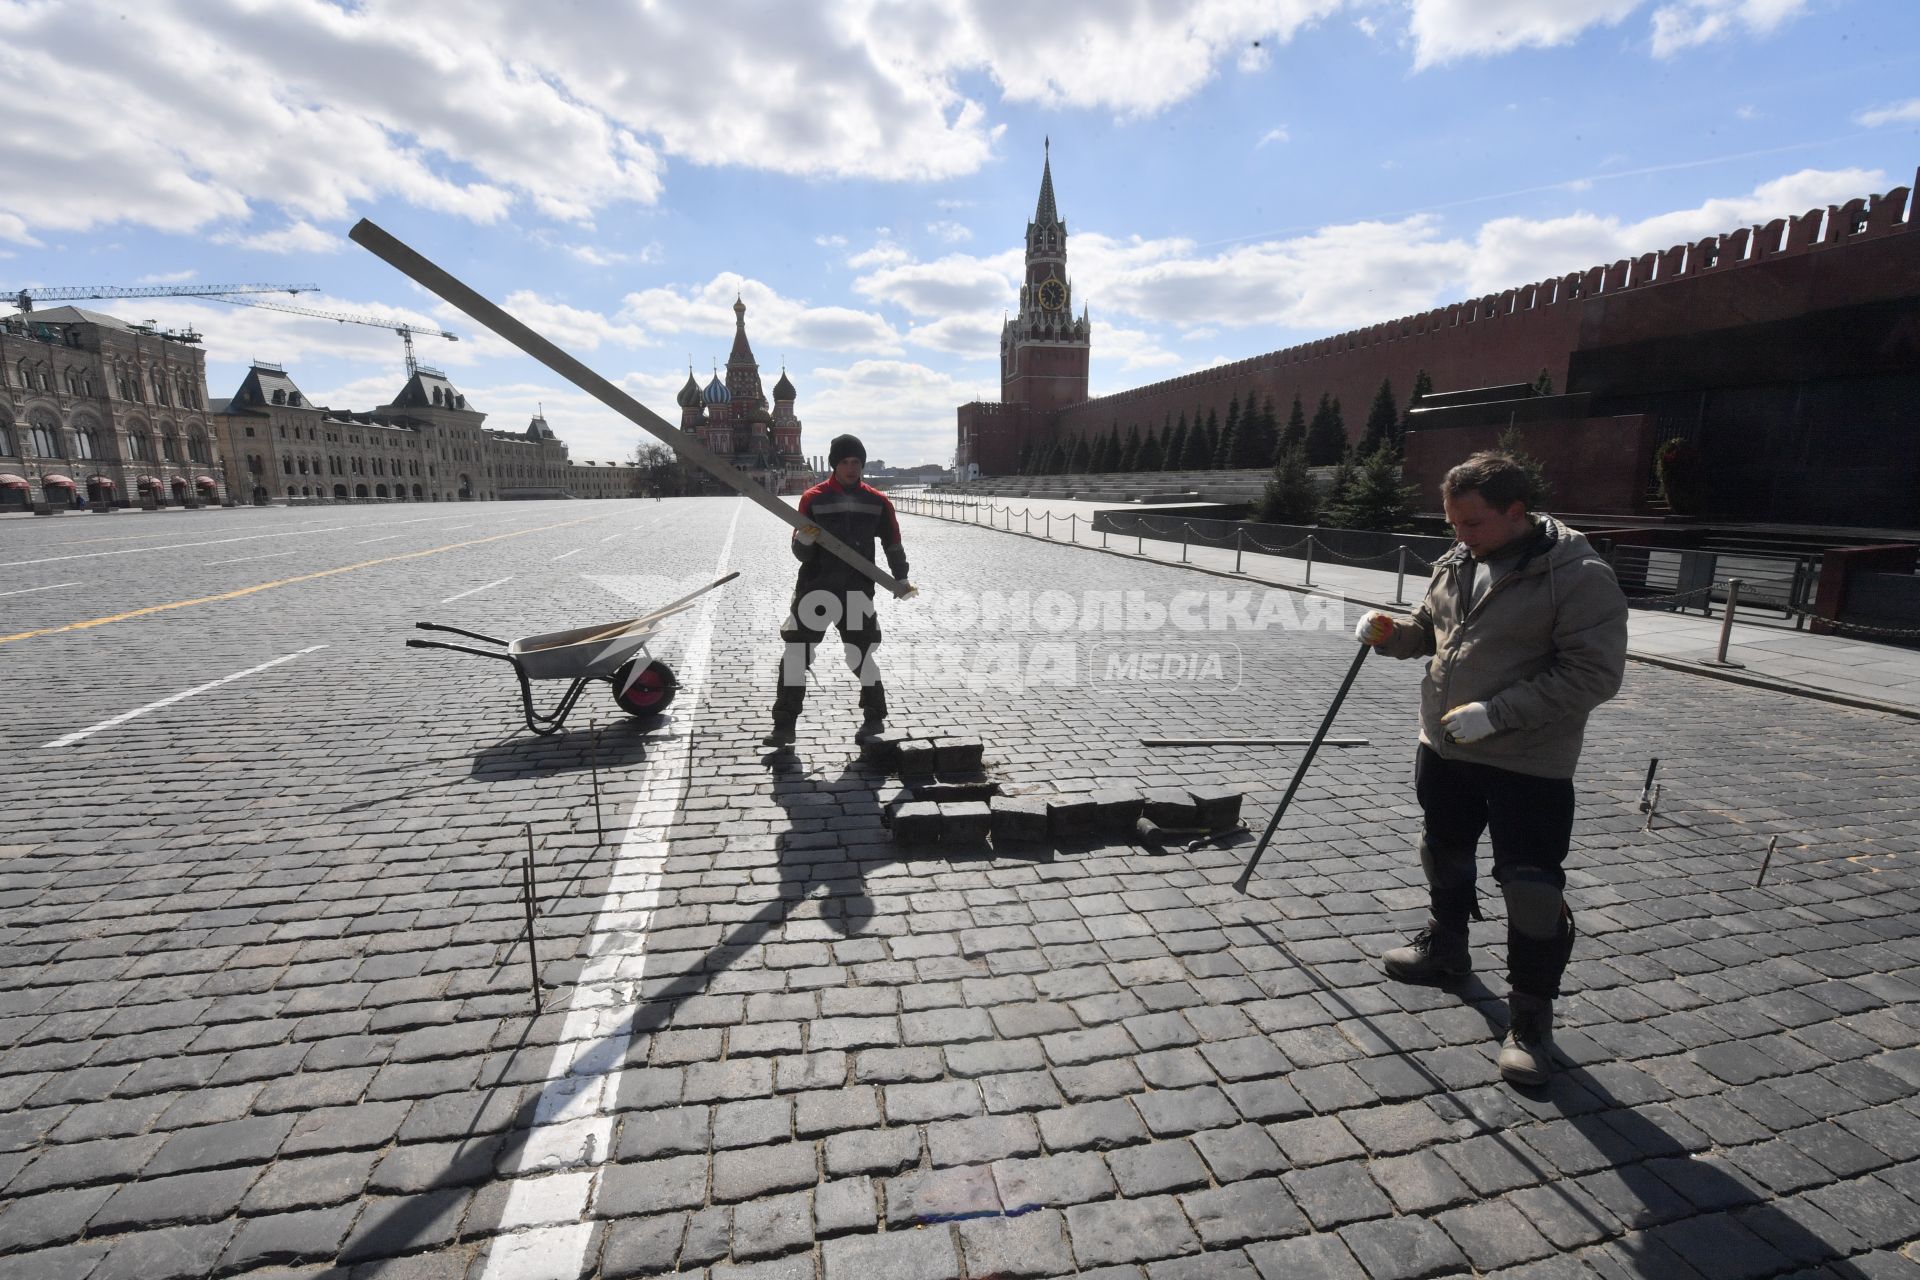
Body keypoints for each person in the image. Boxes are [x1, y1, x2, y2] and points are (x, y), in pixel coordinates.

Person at [1354, 450, 1627, 1086]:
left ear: (1515, 511)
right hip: (1445, 745)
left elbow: (1594, 673)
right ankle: (1447, 947)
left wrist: (1497, 714)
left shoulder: (1578, 574)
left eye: (1472, 524)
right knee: (1443, 848)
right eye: (1452, 523)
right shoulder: (1459, 560)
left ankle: (1530, 1014)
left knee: (1531, 888)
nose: (1459, 536)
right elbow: (1435, 629)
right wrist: (1393, 633)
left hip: (1525, 758)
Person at [765, 434, 912, 748]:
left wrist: (901, 577)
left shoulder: (877, 501)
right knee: (795, 654)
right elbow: (801, 553)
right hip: (814, 589)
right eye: (845, 462)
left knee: (862, 655)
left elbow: (893, 543)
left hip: (857, 592)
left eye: (856, 462)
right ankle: (784, 724)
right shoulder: (813, 498)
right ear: (835, 464)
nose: (851, 467)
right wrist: (804, 540)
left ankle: (874, 715)